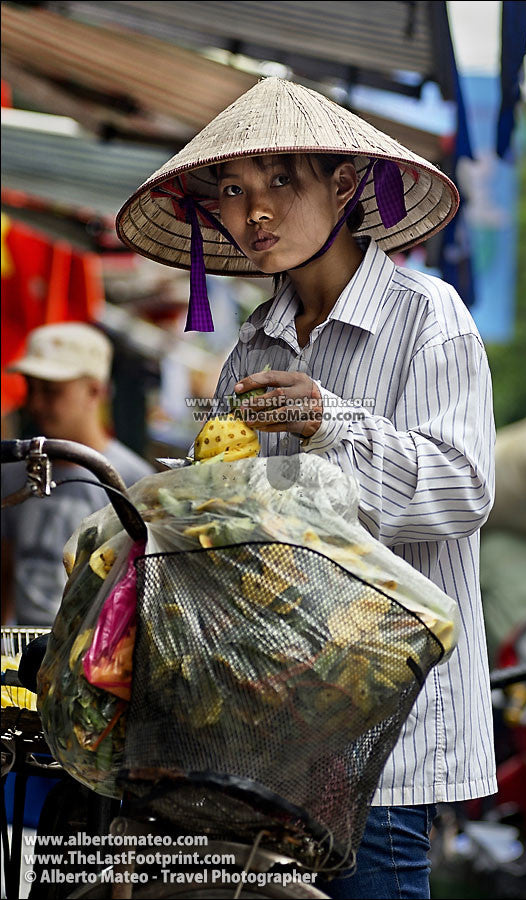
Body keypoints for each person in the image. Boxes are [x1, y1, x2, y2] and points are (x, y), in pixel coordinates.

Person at [117, 78, 496, 899]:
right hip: (272, 736)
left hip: (385, 733)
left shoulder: (429, 317)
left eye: (281, 181)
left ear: (347, 184)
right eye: (232, 189)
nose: (253, 211)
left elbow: (464, 491)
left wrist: (332, 423)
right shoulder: (252, 351)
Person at [1, 322, 154, 626]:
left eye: (52, 391)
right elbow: (5, 566)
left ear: (95, 390)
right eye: (31, 388)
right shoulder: (14, 472)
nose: (36, 403)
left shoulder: (129, 478)